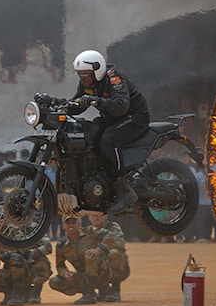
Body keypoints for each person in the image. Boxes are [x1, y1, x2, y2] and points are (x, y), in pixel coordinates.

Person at [39, 50, 150, 215]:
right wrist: (55, 102)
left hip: (134, 117)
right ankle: (101, 181)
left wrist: (96, 100)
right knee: (90, 135)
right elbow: (77, 105)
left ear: (97, 71)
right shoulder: (87, 84)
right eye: (79, 74)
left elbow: (121, 105)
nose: (82, 78)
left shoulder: (114, 78)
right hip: (112, 118)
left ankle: (124, 190)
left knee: (108, 139)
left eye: (85, 74)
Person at [48, 215, 111, 305]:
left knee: (89, 255)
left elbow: (111, 236)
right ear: (63, 226)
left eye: (73, 223)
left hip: (102, 272)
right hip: (83, 275)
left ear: (79, 224)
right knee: (55, 281)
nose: (71, 225)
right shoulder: (62, 245)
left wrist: (99, 250)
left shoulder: (90, 232)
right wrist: (65, 273)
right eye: (68, 223)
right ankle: (89, 291)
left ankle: (92, 293)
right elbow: (60, 265)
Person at [86, 212, 130, 302]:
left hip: (119, 268)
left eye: (98, 215)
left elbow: (119, 242)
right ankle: (103, 290)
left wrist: (100, 250)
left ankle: (115, 290)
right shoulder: (87, 231)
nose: (96, 217)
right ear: (89, 217)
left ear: (105, 216)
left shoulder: (113, 227)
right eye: (93, 215)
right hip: (100, 266)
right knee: (88, 257)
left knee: (114, 253)